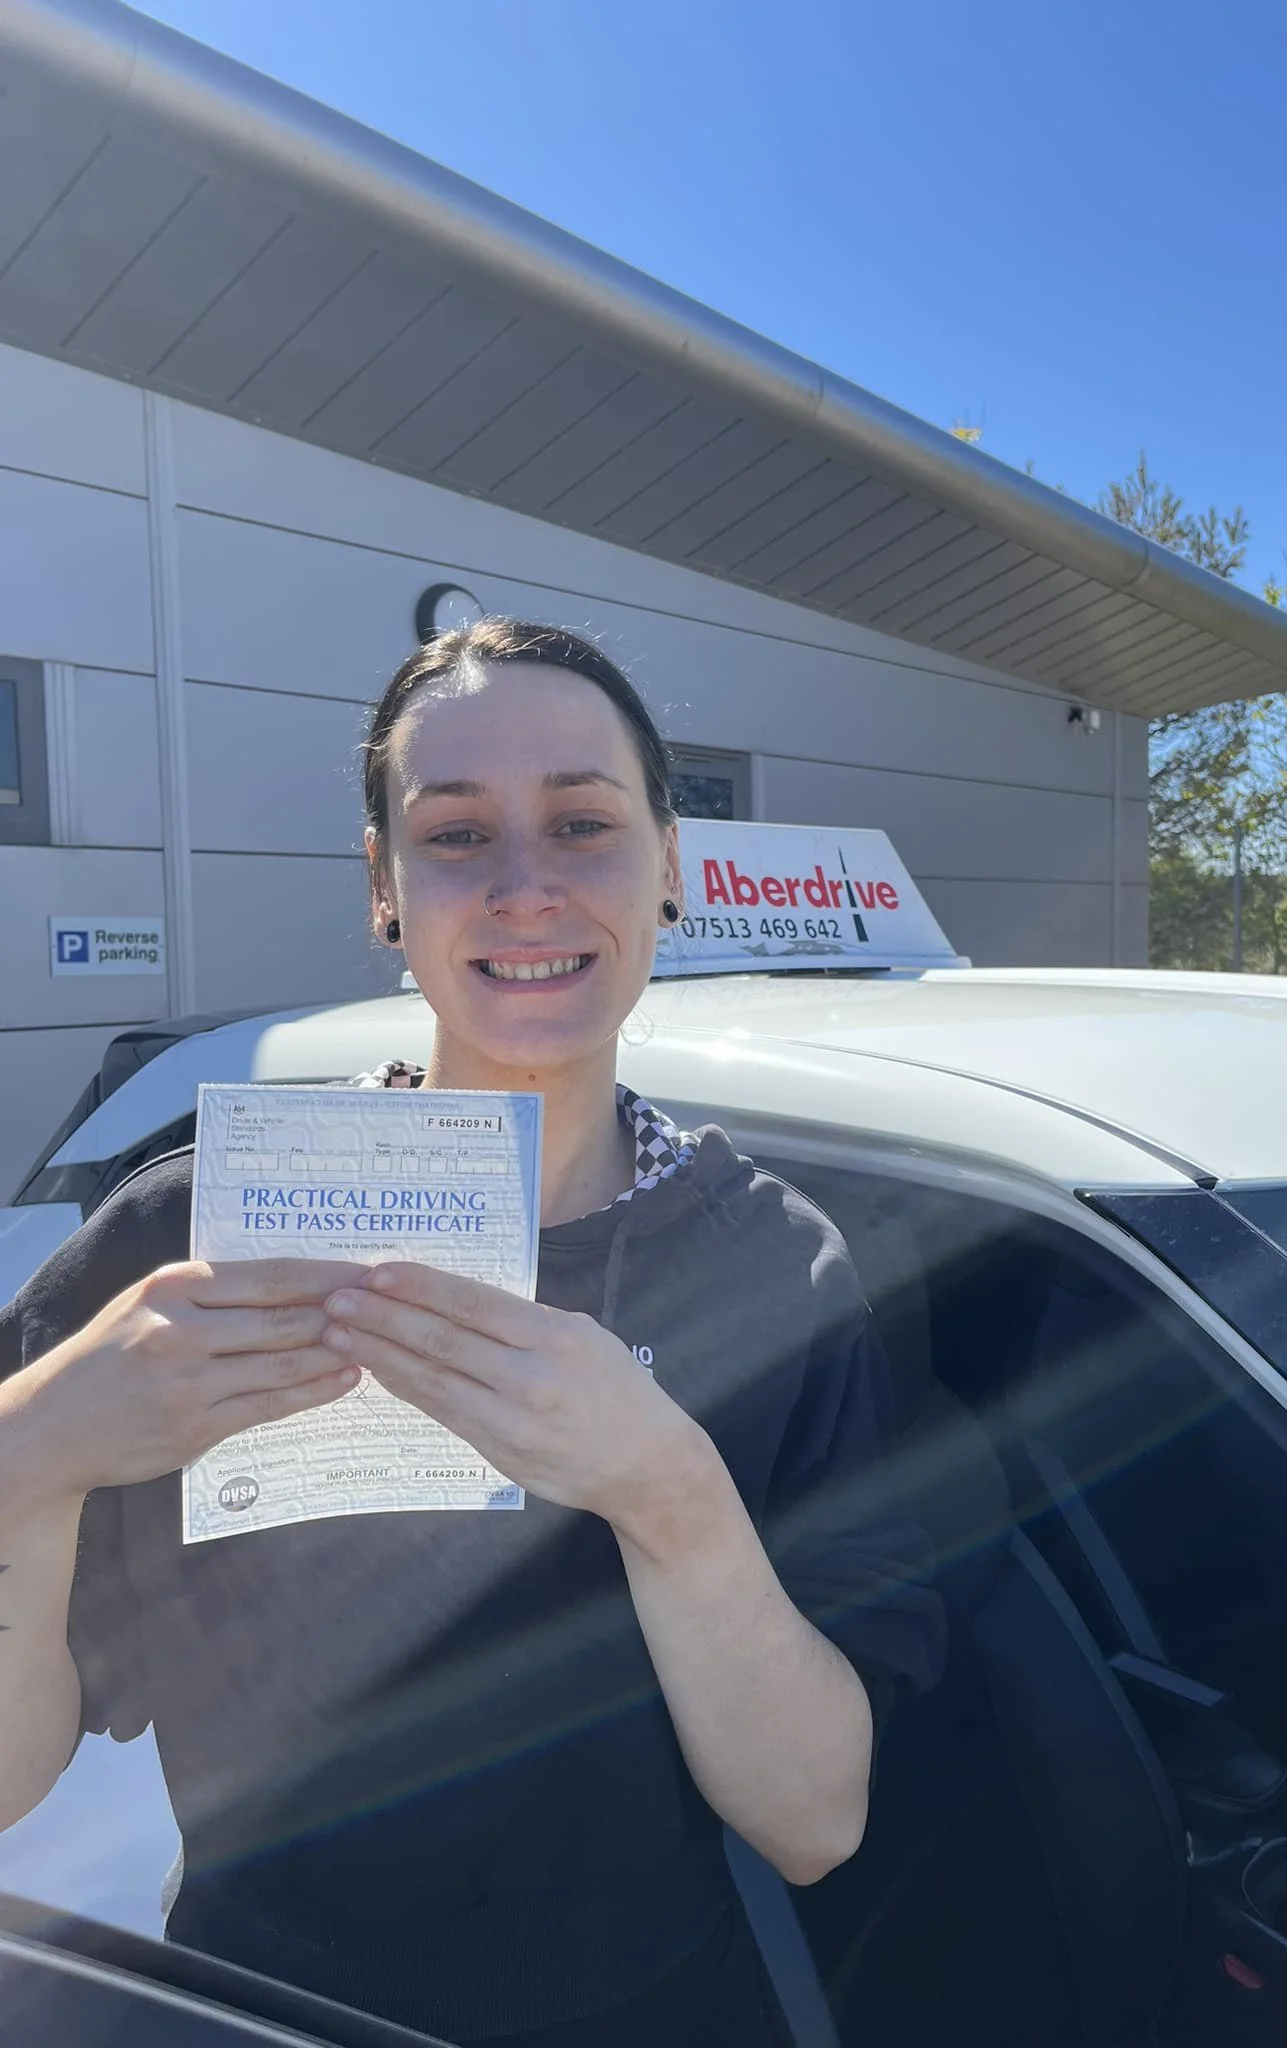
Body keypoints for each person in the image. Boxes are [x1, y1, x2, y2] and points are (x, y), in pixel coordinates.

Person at [0, 619, 944, 2046]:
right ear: (385, 888)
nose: (524, 887)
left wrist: (666, 1495)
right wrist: (36, 1449)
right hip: (256, 2012)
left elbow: (815, 1821)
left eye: (583, 823)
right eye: (455, 836)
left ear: (671, 866)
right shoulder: (191, 1246)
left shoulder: (778, 1265)